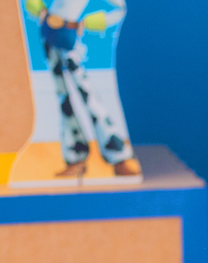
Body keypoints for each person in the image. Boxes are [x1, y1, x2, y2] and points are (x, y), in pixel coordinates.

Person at [23, 0, 140, 178]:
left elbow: (121, 8)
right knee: (62, 96)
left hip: (69, 35)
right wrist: (39, 9)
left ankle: (117, 154)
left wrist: (88, 23)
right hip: (49, 31)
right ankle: (75, 156)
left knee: (87, 92)